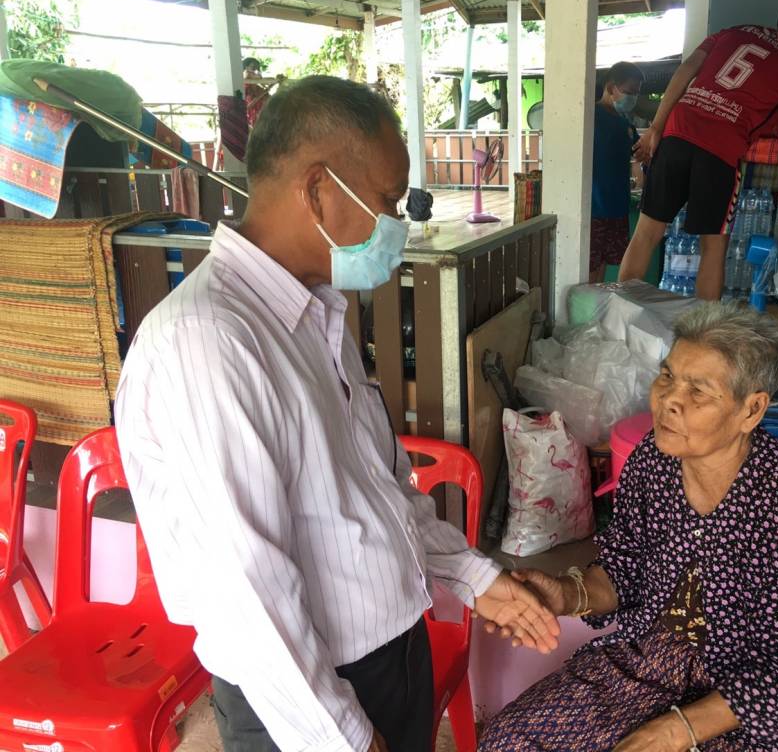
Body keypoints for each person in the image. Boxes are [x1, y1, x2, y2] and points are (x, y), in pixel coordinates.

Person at [114, 76, 559, 752]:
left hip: (391, 653)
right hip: (305, 705)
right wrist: (344, 739)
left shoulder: (313, 313)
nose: (398, 223)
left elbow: (378, 489)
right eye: (388, 200)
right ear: (319, 188)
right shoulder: (208, 342)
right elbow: (248, 593)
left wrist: (475, 578)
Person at [478, 302, 778, 752]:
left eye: (698, 391)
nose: (668, 401)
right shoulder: (653, 462)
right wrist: (566, 594)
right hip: (652, 659)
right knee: (510, 740)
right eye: (667, 377)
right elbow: (624, 568)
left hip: (750, 704)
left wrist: (673, 731)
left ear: (751, 409)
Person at [618, 0, 778, 299]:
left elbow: (686, 70)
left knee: (647, 233)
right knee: (714, 247)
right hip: (719, 151)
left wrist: (656, 129)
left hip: (677, 135)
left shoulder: (733, 32)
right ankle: (704, 326)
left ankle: (619, 311)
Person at [590, 62, 644, 283]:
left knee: (603, 266)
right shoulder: (590, 117)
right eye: (629, 92)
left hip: (617, 207)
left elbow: (640, 153)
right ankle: (586, 306)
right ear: (611, 88)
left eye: (636, 94)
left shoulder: (625, 123)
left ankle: (597, 304)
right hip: (593, 207)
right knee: (590, 267)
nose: (633, 98)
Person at [243, 57, 269, 129]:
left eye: (256, 66)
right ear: (246, 66)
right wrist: (258, 75)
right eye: (253, 66)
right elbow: (258, 78)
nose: (255, 68)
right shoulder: (246, 73)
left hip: (255, 90)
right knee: (253, 105)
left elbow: (263, 82)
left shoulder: (253, 73)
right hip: (249, 92)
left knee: (265, 99)